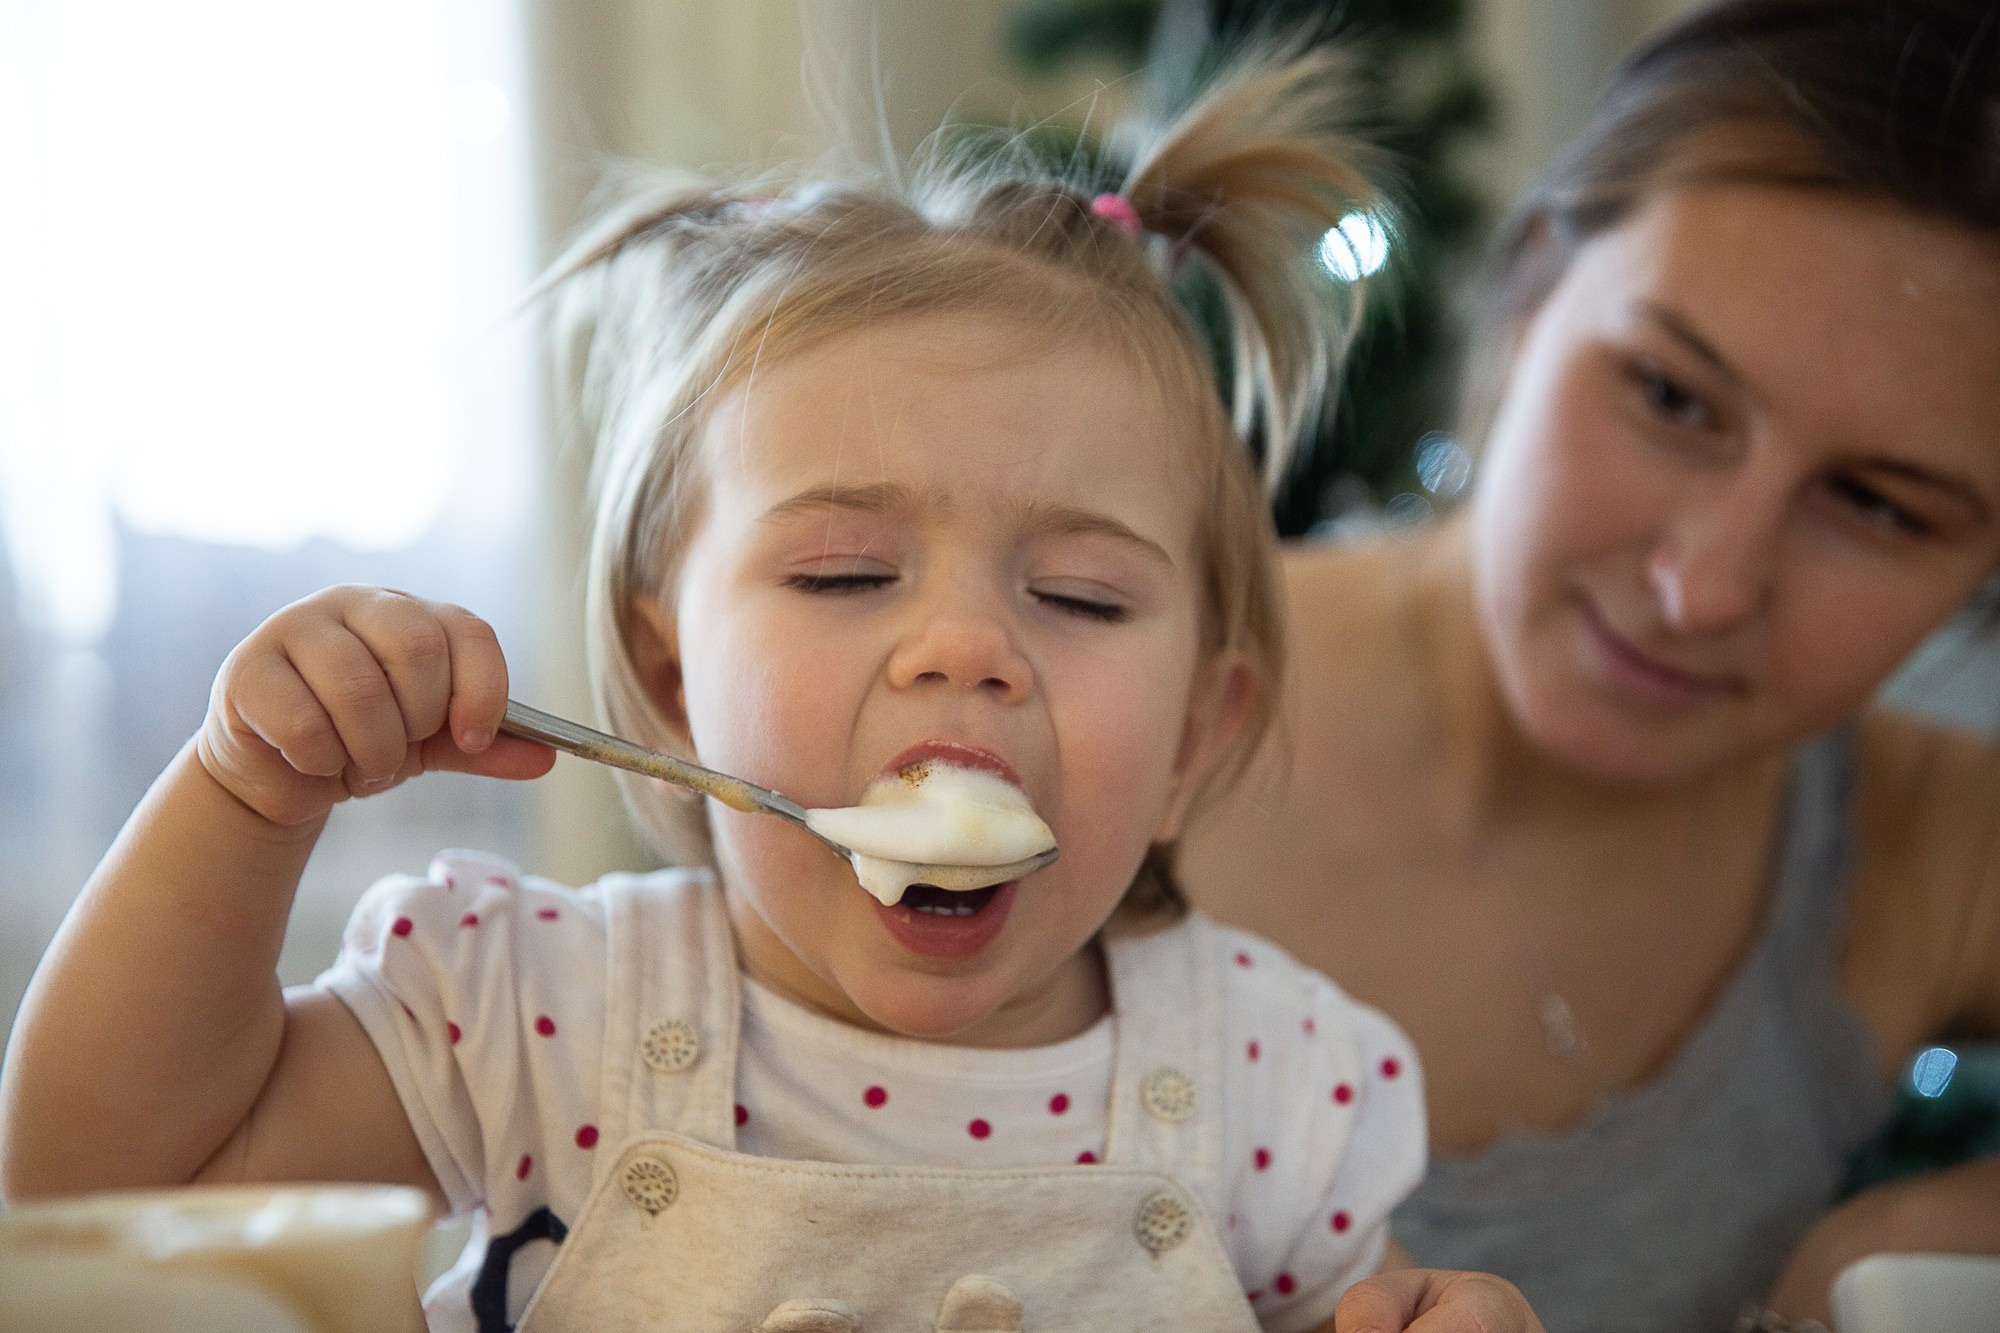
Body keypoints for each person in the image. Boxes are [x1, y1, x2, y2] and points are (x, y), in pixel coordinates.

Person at [0, 52, 1546, 1333]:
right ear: (671, 680)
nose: (966, 648)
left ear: (1196, 737)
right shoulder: (535, 1016)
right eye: (845, 574)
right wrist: (247, 793)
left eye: (1078, 596)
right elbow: (105, 1195)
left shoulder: (1271, 1087)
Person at [1178, 2, 2000, 1330]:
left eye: (1878, 505)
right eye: (1671, 397)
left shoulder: (1925, 841)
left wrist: (1910, 1233)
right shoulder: (1082, 697)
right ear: (1534, 287)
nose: (1702, 588)